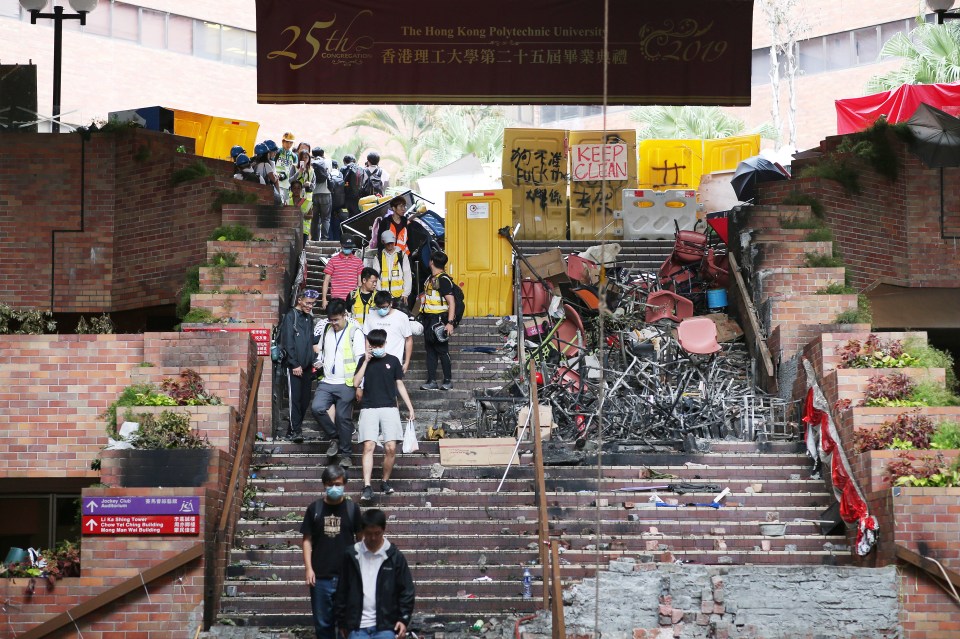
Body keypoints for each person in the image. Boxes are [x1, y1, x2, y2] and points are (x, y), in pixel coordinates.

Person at [301, 464, 362, 639]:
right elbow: (306, 540)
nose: (334, 488)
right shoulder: (315, 509)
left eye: (337, 484)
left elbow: (361, 540)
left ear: (344, 484)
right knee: (323, 625)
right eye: (329, 484)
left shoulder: (352, 509)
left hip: (347, 577)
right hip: (320, 578)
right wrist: (308, 569)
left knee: (349, 625)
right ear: (324, 485)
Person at [353, 329, 414, 504]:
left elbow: (400, 385)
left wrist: (410, 407)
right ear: (369, 345)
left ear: (385, 343)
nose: (376, 348)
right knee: (369, 446)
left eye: (379, 345)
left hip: (389, 407)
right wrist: (365, 361)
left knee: (391, 448)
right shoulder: (363, 360)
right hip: (369, 407)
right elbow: (355, 383)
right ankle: (367, 485)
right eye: (373, 345)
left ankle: (385, 481)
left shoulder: (393, 360)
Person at [334, 509, 414, 639]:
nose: (373, 538)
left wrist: (403, 619)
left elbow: (407, 591)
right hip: (357, 627)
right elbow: (342, 590)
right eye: (369, 533)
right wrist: (342, 622)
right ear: (362, 531)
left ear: (383, 529)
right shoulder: (351, 555)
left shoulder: (395, 557)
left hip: (386, 627)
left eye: (377, 533)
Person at [311, 299, 366, 467]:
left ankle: (346, 454)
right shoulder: (326, 329)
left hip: (347, 383)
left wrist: (360, 385)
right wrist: (319, 361)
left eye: (336, 320)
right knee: (317, 408)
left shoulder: (354, 332)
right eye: (331, 320)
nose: (333, 323)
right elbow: (321, 351)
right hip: (327, 381)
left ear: (344, 315)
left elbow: (361, 360)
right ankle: (334, 437)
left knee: (343, 417)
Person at [280, 288, 321, 442]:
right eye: (308, 303)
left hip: (307, 366)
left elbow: (310, 341)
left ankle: (293, 430)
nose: (310, 306)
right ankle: (295, 431)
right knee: (295, 400)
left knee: (304, 401)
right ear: (300, 300)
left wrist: (314, 361)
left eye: (313, 304)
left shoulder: (309, 319)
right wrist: (294, 363)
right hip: (295, 367)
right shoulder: (291, 316)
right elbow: (288, 341)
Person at [413, 251, 456, 391]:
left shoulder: (443, 279)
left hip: (439, 320)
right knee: (430, 351)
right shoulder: (431, 278)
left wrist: (450, 323)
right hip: (428, 319)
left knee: (442, 350)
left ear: (431, 261)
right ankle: (431, 381)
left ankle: (448, 380)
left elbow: (452, 302)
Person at [363, 291, 413, 374]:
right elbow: (367, 338)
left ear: (391, 303)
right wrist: (367, 355)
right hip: (373, 361)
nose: (381, 310)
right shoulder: (370, 316)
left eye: (384, 307)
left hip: (394, 363)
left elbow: (408, 340)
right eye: (378, 307)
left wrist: (406, 362)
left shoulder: (401, 317)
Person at [370, 230, 412, 310]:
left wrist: (405, 293)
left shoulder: (402, 256)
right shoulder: (378, 257)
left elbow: (407, 275)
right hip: (383, 296)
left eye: (391, 242)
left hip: (399, 296)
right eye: (388, 243)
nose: (390, 245)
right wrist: (379, 292)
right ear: (383, 242)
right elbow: (376, 276)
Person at [322, 237, 365, 311]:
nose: (348, 248)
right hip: (336, 299)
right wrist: (324, 299)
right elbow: (326, 281)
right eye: (346, 247)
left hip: (352, 299)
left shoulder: (358, 262)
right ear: (341, 246)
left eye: (350, 247)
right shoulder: (333, 261)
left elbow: (360, 282)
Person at [312, 147, 333, 241]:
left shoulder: (311, 162)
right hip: (326, 192)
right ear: (323, 154)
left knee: (314, 219)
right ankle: (324, 238)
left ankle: (315, 239)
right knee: (326, 218)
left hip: (314, 193)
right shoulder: (328, 161)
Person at [276, 132, 298, 203]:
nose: (289, 145)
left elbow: (295, 171)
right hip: (277, 184)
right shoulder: (277, 153)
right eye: (287, 142)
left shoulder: (294, 156)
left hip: (288, 185)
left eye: (291, 143)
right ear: (283, 142)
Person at [342, 155, 364, 221]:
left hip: (346, 197)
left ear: (344, 161)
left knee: (346, 217)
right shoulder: (360, 169)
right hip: (357, 197)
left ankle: (345, 231)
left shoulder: (344, 168)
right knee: (355, 216)